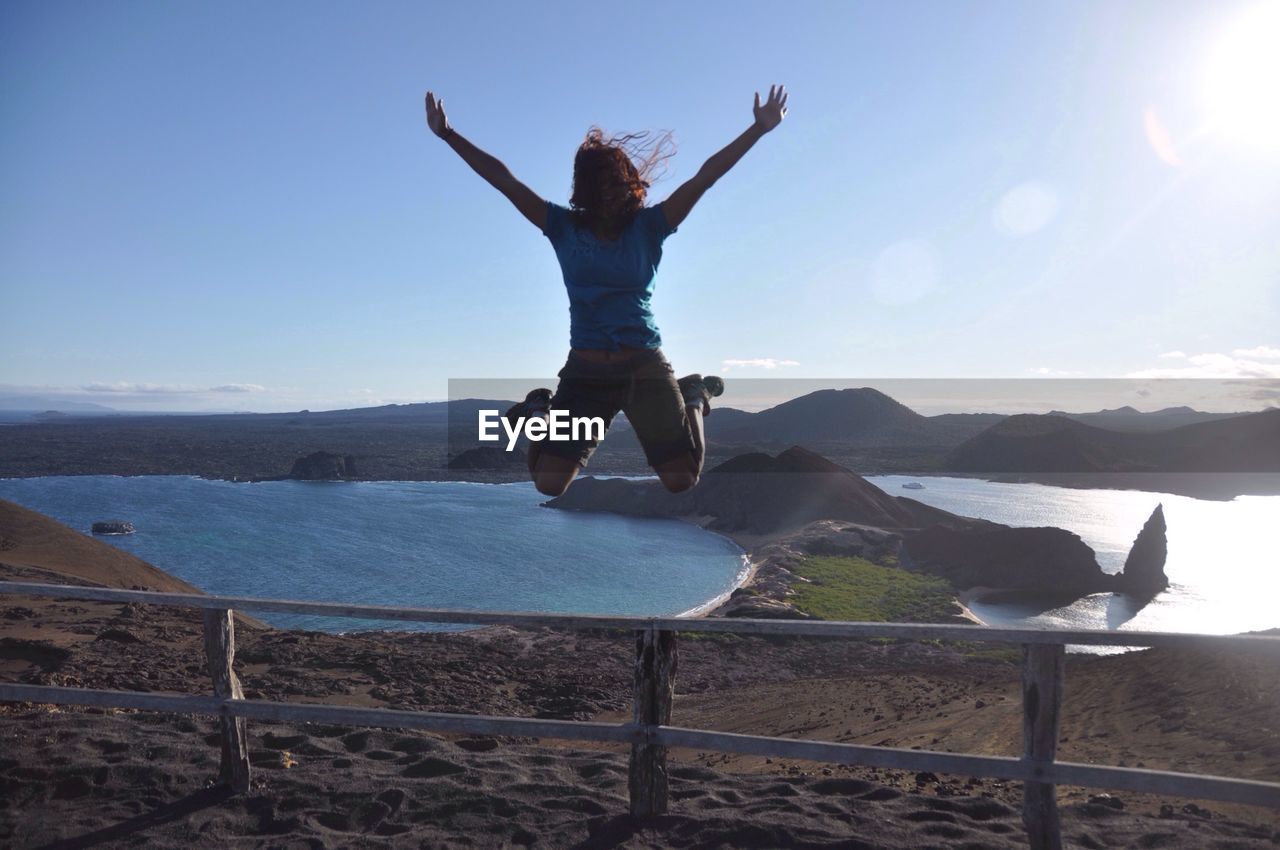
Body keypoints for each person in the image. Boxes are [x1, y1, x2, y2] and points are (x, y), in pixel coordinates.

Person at [425, 85, 788, 496]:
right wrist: (449, 135)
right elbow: (505, 182)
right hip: (587, 373)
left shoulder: (651, 227)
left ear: (625, 183)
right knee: (548, 484)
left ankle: (694, 398)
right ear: (584, 188)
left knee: (682, 479)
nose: (606, 191)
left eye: (611, 182)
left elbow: (705, 177)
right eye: (597, 183)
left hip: (644, 366)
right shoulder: (561, 226)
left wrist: (756, 131)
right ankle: (538, 410)